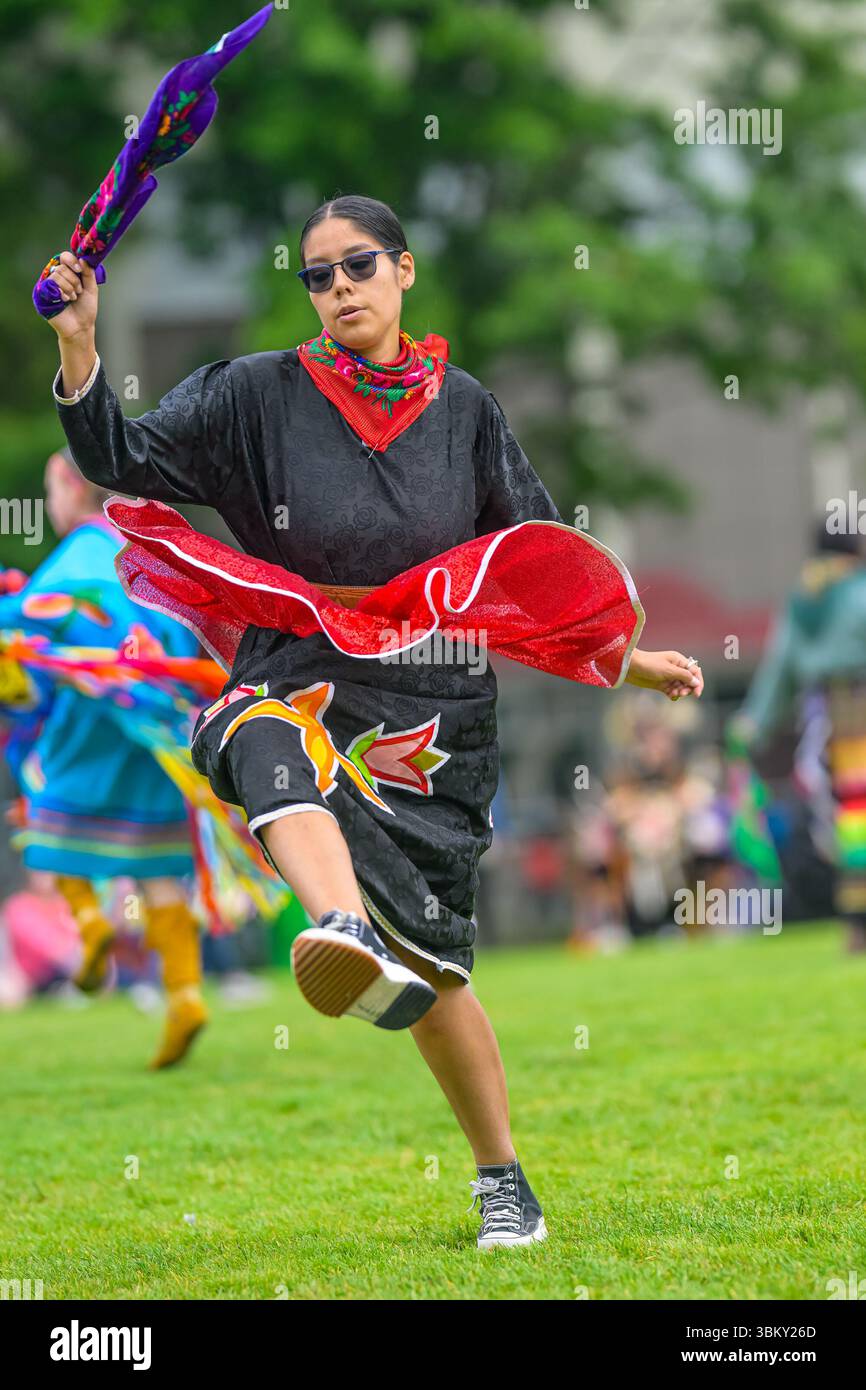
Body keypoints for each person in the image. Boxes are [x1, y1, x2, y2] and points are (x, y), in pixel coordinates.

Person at [42, 194, 703, 1248]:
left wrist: (623, 660)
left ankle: (502, 1181)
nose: (338, 287)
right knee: (255, 732)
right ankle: (338, 925)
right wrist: (79, 348)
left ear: (403, 273)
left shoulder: (466, 410)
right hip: (297, 669)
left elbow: (528, 564)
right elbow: (120, 457)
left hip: (431, 721)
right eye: (317, 275)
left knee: (436, 978)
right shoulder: (254, 396)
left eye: (358, 266)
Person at [0, 447, 209, 1066]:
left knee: (45, 820)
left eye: (51, 488)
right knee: (160, 870)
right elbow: (183, 635)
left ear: (70, 484)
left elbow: (36, 645)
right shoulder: (146, 557)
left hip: (88, 730)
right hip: (159, 735)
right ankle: (186, 995)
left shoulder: (75, 558)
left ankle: (89, 922)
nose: (49, 503)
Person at [734, 522, 866, 952]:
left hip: (821, 720)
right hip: (858, 707)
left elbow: (779, 667)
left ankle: (856, 923)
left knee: (850, 818)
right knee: (857, 815)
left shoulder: (804, 598)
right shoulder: (858, 591)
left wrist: (752, 723)